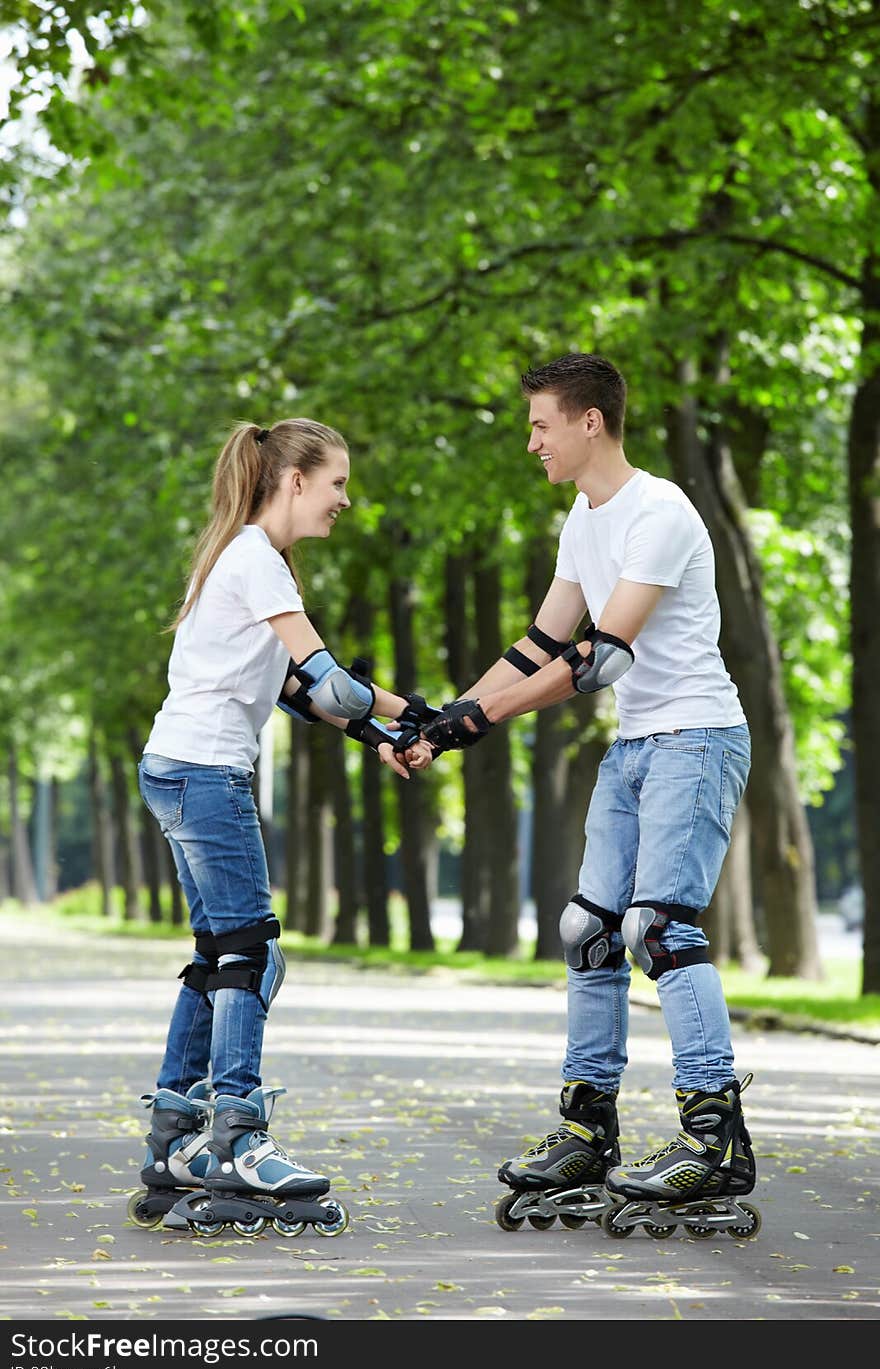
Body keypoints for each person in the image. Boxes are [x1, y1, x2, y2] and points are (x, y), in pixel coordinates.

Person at [404, 353, 758, 1238]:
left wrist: (476, 721)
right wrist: (444, 720)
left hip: (696, 737)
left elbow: (599, 658)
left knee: (658, 929)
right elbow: (537, 645)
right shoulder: (582, 518)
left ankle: (713, 1138)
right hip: (635, 746)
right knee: (588, 930)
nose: (532, 442)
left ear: (589, 422)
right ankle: (586, 1129)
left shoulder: (661, 512)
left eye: (540, 425)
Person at [130, 416, 427, 1239]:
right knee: (253, 952)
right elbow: (329, 681)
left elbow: (298, 691)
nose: (345, 499)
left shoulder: (249, 557)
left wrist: (382, 735)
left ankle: (176, 1135)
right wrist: (424, 718)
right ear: (294, 481)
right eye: (337, 482)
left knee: (218, 953)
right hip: (205, 773)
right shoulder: (258, 558)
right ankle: (236, 1138)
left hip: (174, 767)